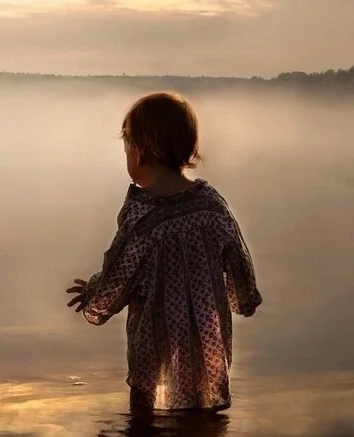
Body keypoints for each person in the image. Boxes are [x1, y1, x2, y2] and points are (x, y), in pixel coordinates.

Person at [66, 91, 262, 411]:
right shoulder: (212, 206)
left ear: (140, 151)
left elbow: (121, 276)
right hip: (207, 350)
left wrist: (93, 295)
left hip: (153, 352)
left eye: (127, 147)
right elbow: (239, 265)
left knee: (145, 435)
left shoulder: (142, 216)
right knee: (203, 431)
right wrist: (241, 298)